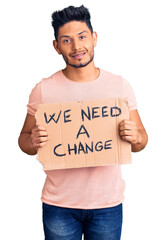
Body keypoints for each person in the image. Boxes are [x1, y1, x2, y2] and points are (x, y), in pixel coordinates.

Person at [18, 5, 148, 240]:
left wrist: (136, 137)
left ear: (94, 38)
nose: (77, 47)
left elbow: (141, 141)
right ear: (56, 46)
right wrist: (33, 140)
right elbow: (24, 140)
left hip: (107, 205)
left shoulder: (119, 86)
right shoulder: (43, 90)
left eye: (82, 37)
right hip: (59, 205)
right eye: (66, 40)